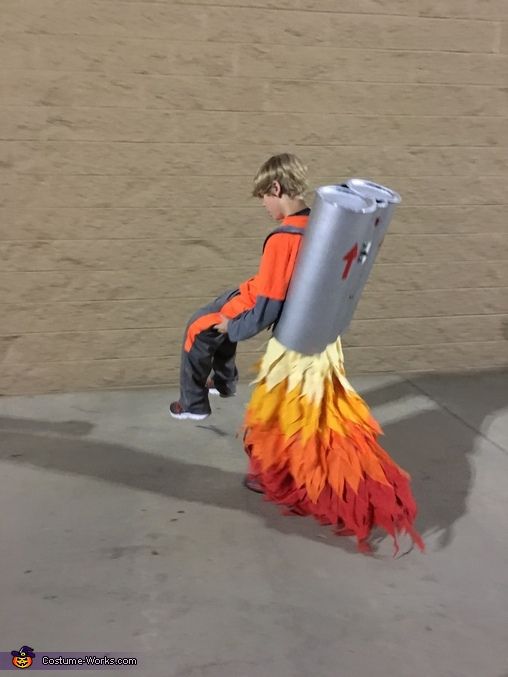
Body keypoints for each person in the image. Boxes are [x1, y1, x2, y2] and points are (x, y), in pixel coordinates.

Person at [169, 153, 311, 420]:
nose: (264, 205)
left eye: (264, 197)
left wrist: (231, 326)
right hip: (248, 290)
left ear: (276, 188)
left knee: (197, 327)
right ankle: (224, 382)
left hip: (251, 301)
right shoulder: (314, 224)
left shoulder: (283, 238)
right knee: (215, 315)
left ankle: (193, 404)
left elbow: (267, 308)